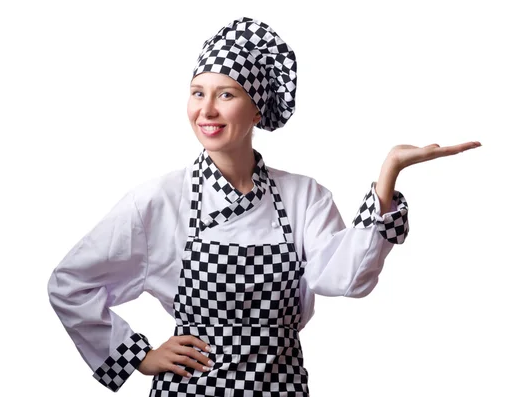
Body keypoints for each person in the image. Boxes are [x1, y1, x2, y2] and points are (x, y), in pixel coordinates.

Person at [47, 17, 481, 396]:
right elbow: (70, 284)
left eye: (226, 95)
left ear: (257, 110)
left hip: (282, 386)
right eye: (198, 93)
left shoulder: (303, 196)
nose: (206, 110)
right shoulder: (159, 200)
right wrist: (140, 356)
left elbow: (345, 278)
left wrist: (387, 175)